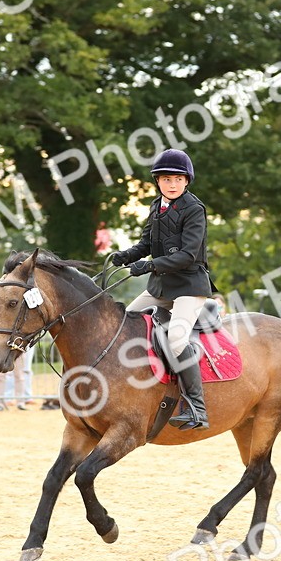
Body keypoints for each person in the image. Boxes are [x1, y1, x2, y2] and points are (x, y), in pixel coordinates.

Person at [109, 148, 212, 431]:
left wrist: (150, 266)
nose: (172, 184)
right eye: (166, 179)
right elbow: (146, 244)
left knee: (177, 338)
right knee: (122, 326)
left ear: (186, 181)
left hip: (189, 286)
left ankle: (196, 407)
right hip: (161, 287)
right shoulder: (156, 206)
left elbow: (189, 254)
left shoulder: (194, 209)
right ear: (158, 181)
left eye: (178, 179)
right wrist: (127, 256)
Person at [0, 294, 35, 411]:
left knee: (20, 374)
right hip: (0, 341)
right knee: (0, 375)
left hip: (17, 339)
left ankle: (21, 402)